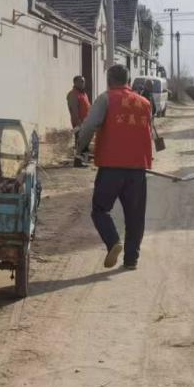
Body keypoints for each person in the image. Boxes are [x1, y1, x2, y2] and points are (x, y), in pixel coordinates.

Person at [75, 64, 153, 270]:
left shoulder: (106, 98)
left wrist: (80, 147)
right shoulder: (145, 103)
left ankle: (113, 242)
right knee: (135, 216)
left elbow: (89, 125)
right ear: (128, 80)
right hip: (138, 168)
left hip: (111, 167)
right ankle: (131, 260)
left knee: (100, 210)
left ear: (109, 80)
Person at [67, 75, 92, 164]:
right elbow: (73, 110)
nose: (83, 83)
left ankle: (83, 161)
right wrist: (78, 123)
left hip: (86, 122)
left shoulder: (83, 94)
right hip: (79, 123)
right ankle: (78, 162)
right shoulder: (73, 94)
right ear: (75, 82)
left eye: (84, 81)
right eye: (81, 81)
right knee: (79, 142)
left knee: (85, 142)